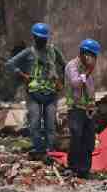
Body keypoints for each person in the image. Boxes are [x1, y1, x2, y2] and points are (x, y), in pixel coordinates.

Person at [5, 23, 66, 161]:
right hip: (33, 95)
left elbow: (65, 66)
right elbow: (10, 64)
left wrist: (62, 81)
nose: (42, 41)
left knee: (51, 125)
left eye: (44, 38)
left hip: (51, 94)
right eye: (39, 38)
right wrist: (22, 74)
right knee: (34, 124)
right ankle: (39, 150)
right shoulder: (28, 52)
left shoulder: (53, 51)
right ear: (34, 37)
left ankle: (50, 152)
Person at [65, 39, 100, 178]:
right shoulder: (72, 66)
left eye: (94, 55)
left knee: (89, 139)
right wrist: (88, 73)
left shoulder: (88, 70)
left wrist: (93, 104)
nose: (92, 58)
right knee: (76, 136)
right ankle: (73, 167)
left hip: (88, 109)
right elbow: (75, 83)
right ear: (82, 53)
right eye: (90, 54)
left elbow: (90, 89)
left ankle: (85, 170)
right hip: (75, 107)